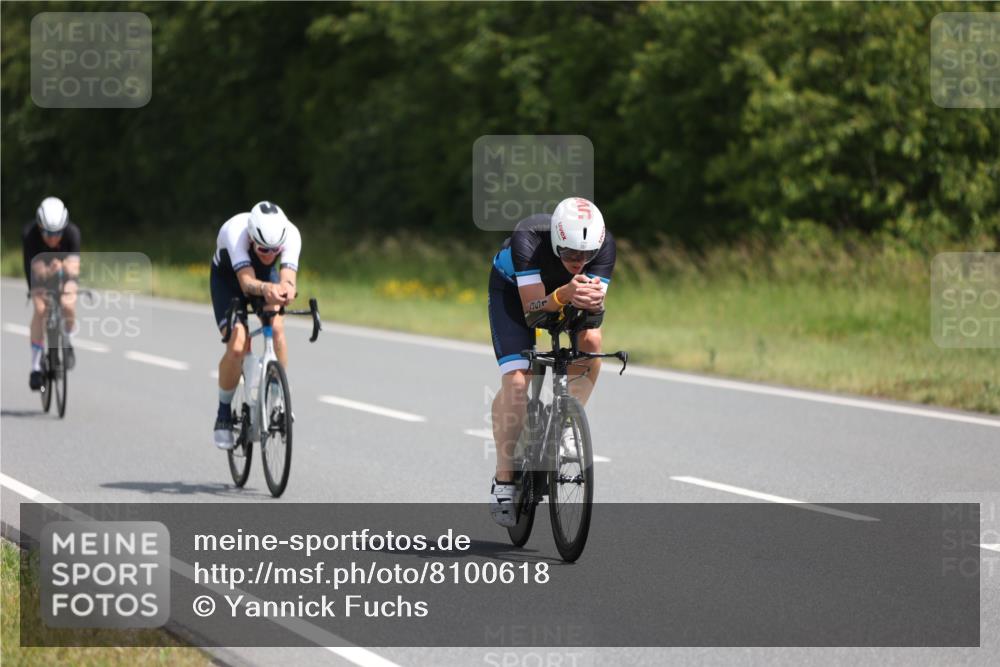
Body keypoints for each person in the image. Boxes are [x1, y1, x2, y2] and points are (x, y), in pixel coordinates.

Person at [486, 197, 616, 526]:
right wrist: (562, 294)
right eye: (571, 253)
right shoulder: (528, 237)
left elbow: (592, 313)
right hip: (514, 295)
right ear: (557, 240)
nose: (579, 261)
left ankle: (569, 420)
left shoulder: (604, 247)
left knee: (592, 342)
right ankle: (504, 480)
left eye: (587, 255)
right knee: (517, 381)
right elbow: (532, 312)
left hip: (560, 295)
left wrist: (587, 302)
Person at [210, 201, 301, 449]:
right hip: (230, 279)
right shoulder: (235, 232)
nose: (270, 255)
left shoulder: (291, 234)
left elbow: (288, 277)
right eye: (262, 249)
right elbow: (247, 282)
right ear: (251, 238)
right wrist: (266, 289)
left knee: (278, 327)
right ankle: (224, 413)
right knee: (239, 343)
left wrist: (286, 291)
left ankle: (278, 398)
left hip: (263, 277)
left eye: (276, 251)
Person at [22, 196, 81, 390]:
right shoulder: (30, 235)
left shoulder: (72, 234)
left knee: (68, 304)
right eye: (48, 233)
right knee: (40, 309)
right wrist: (48, 271)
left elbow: (74, 269)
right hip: (39, 272)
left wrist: (62, 267)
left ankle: (68, 342)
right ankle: (35, 367)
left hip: (64, 270)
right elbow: (37, 271)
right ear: (40, 227)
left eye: (58, 233)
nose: (53, 238)